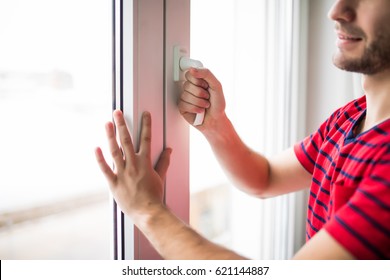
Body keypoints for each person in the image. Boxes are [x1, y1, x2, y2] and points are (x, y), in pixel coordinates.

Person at [95, 0, 390, 259]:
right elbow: (265, 178)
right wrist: (215, 124)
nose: (336, 11)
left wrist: (148, 210)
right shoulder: (350, 117)